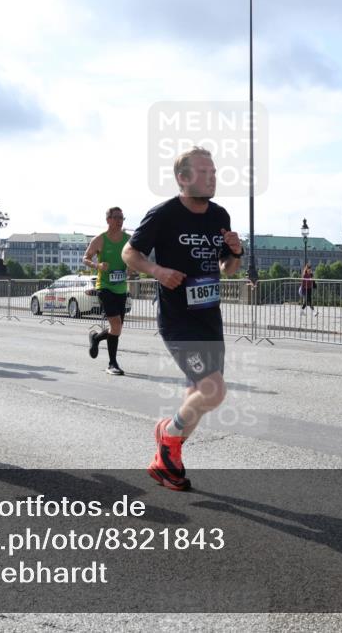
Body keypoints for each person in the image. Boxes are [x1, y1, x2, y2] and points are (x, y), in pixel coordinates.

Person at [122, 147, 243, 491]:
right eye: (204, 173)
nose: (212, 178)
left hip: (209, 317)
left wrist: (234, 252)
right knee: (214, 391)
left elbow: (227, 269)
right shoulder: (164, 214)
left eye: (214, 172)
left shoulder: (219, 214)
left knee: (198, 397)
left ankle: (166, 464)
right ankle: (167, 435)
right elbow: (129, 252)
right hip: (178, 319)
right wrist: (157, 270)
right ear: (183, 178)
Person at [83, 207, 130, 375]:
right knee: (115, 324)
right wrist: (97, 265)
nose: (120, 220)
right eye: (116, 217)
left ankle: (95, 338)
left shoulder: (128, 239)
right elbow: (85, 258)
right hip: (104, 287)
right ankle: (112, 363)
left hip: (121, 288)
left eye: (122, 217)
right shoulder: (100, 240)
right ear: (108, 219)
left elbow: (133, 259)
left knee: (116, 328)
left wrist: (132, 268)